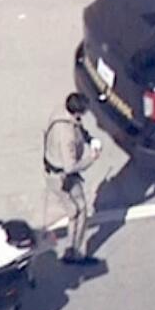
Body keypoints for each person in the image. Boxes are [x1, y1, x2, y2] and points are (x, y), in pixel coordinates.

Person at [44, 92, 102, 265]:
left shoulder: (60, 113)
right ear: (77, 112)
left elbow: (78, 127)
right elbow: (70, 167)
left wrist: (88, 138)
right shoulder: (67, 135)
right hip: (63, 177)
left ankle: (72, 248)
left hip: (53, 171)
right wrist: (92, 158)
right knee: (80, 210)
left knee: (74, 210)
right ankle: (74, 252)